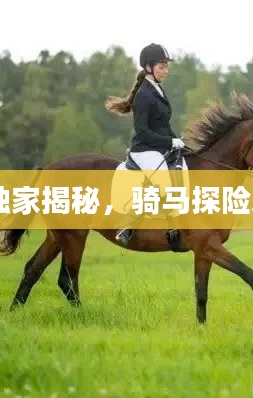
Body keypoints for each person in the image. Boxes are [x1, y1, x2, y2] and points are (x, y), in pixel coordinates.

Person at [105, 43, 188, 246]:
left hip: (158, 147)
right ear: (149, 68)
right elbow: (142, 131)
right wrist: (170, 141)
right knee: (164, 184)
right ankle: (127, 226)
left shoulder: (158, 89)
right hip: (145, 149)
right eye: (162, 67)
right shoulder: (144, 95)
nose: (166, 71)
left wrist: (178, 141)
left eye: (166, 67)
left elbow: (162, 125)